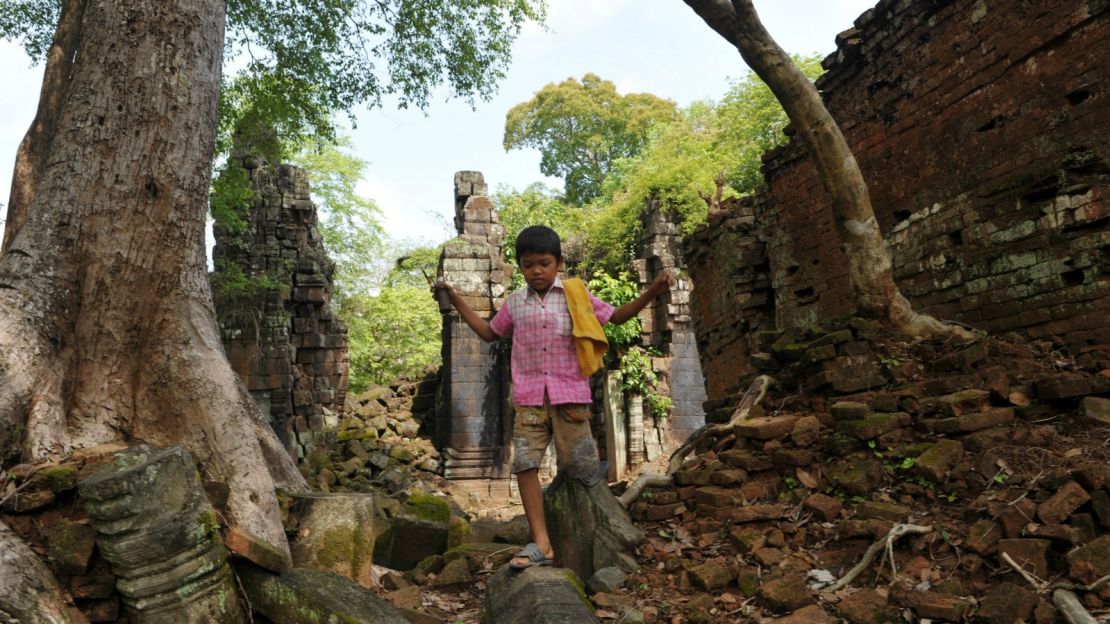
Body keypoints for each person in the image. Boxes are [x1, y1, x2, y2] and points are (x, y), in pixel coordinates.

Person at [434, 225, 674, 569]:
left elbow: (617, 317)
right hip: (529, 400)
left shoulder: (577, 295)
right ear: (520, 267)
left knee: (580, 470)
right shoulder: (516, 304)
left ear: (559, 263)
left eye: (544, 263)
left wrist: (653, 290)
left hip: (570, 397)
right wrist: (456, 300)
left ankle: (597, 515)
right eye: (528, 264)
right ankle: (541, 543)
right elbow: (489, 334)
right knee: (525, 465)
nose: (536, 271)